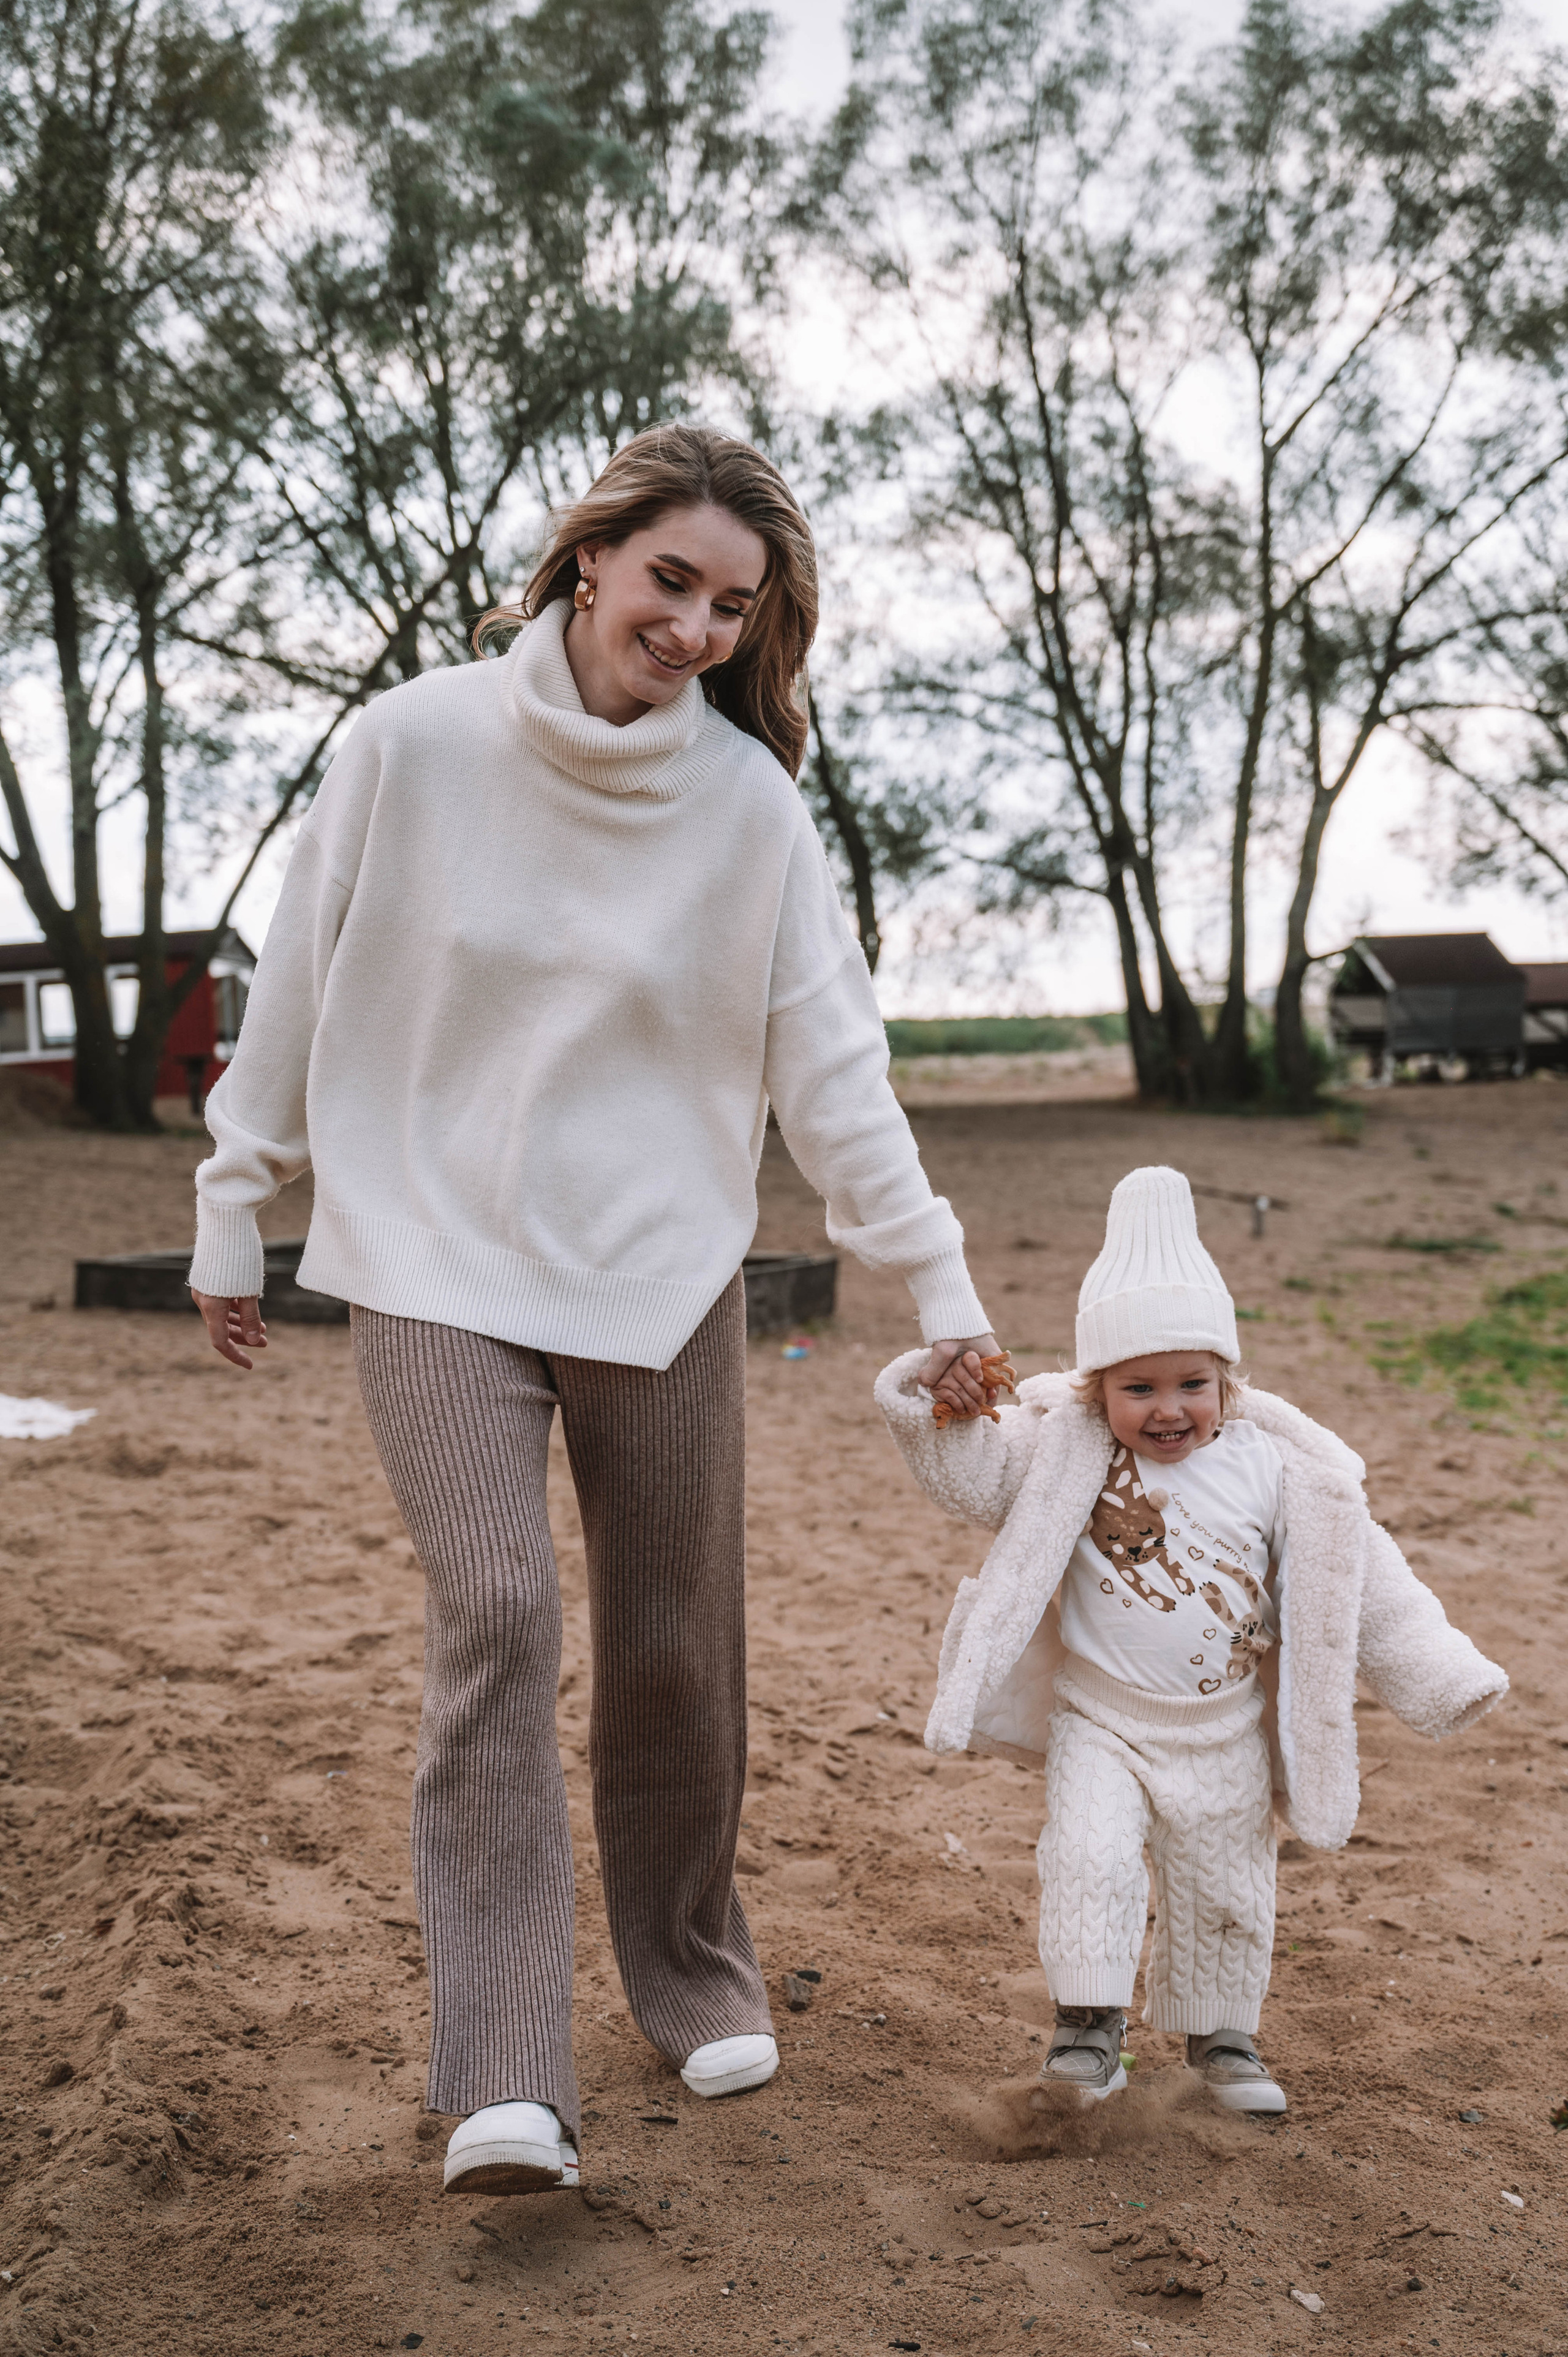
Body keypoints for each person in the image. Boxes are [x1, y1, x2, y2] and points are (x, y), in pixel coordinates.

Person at [187, 423, 995, 2198]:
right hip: (427, 1250)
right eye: (672, 582)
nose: (699, 626)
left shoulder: (749, 809)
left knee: (673, 1642)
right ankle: (502, 2078)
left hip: (657, 1268)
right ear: (587, 561)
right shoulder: (407, 745)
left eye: (734, 606)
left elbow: (834, 1071)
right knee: (494, 1607)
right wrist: (234, 1206)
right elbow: (299, 984)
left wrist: (936, 1282)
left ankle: (690, 1965)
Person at [877, 1164, 1506, 2112]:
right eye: (1139, 1387)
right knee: (1086, 1858)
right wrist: (945, 1415)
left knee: (1226, 1884)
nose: (1168, 1409)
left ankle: (1224, 2043)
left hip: (1223, 1726)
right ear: (1098, 1388)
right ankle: (1087, 2031)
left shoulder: (1282, 1471)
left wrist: (1444, 1676)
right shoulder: (1066, 1450)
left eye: (1192, 1384)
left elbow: (1371, 1584)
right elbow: (974, 1482)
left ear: (1228, 1380)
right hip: (1103, 1716)